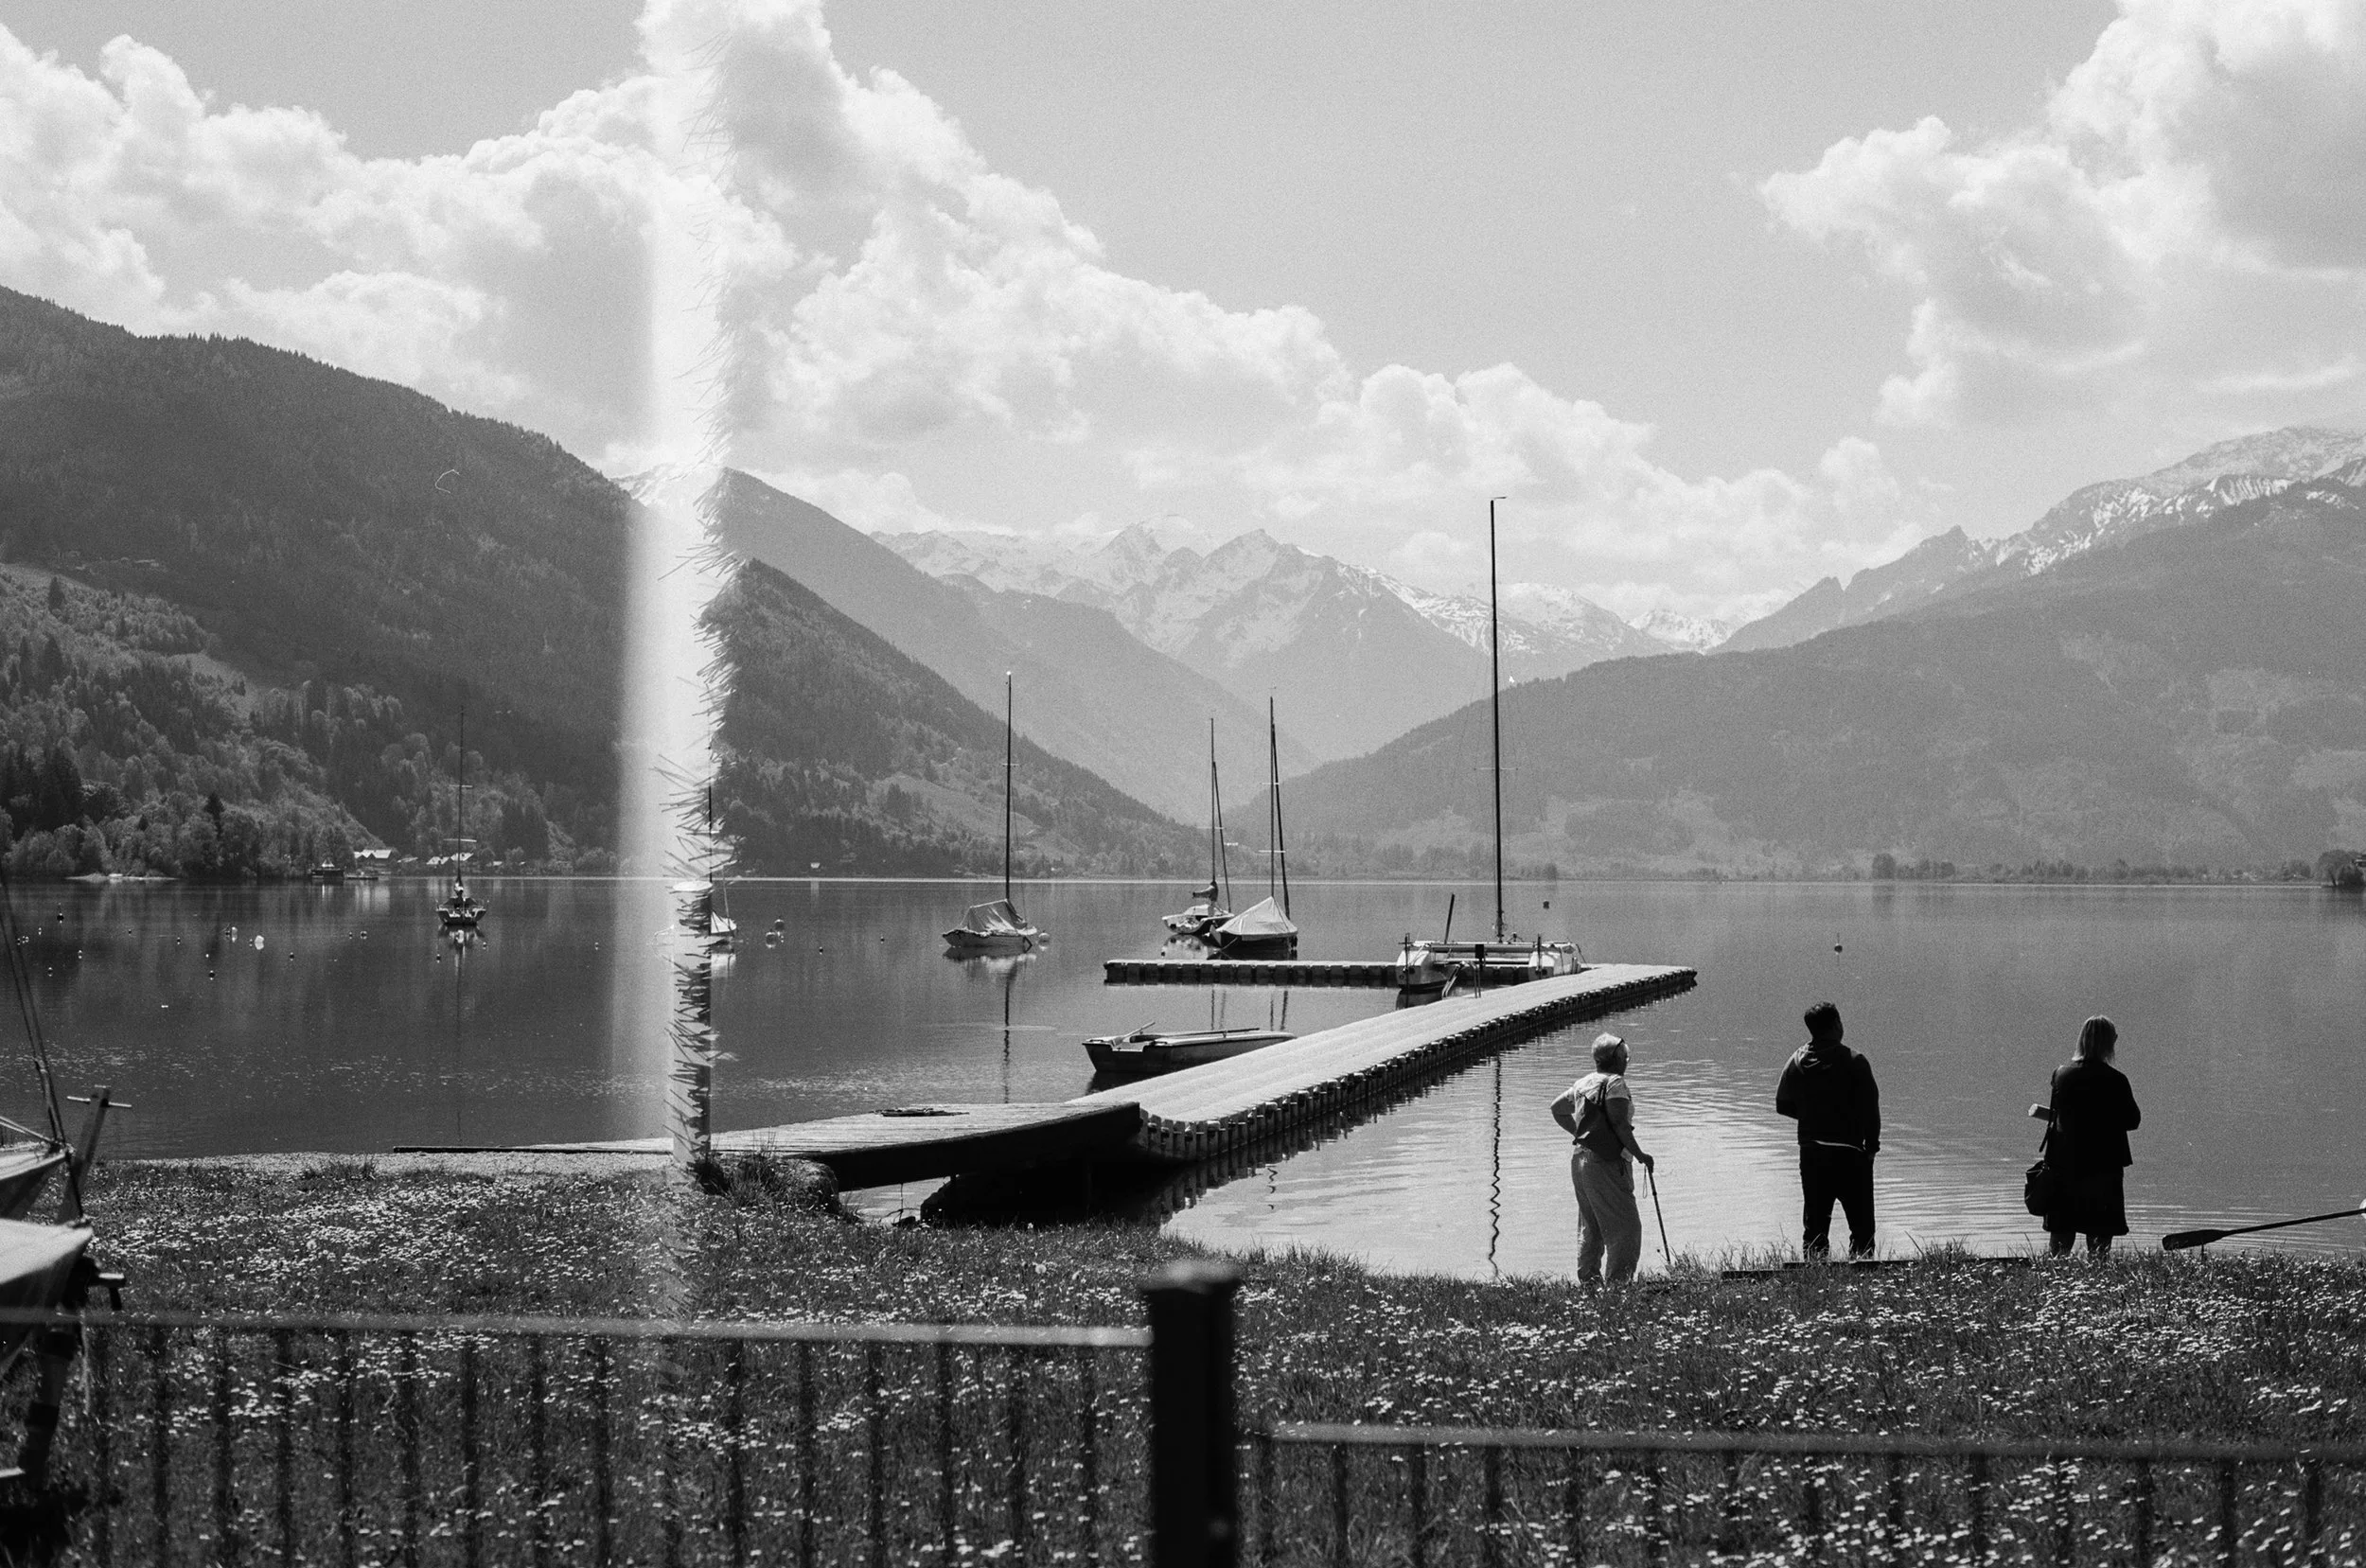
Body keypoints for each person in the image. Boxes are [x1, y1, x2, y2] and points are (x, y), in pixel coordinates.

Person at [1775, 1001, 1880, 1259]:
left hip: (1812, 1154)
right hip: (1851, 1154)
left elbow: (1782, 1104)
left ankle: (1815, 1272)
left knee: (1815, 1226)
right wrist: (1872, 1146)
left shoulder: (1796, 1061)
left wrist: (1813, 1118)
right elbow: (1870, 1109)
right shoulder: (1856, 1061)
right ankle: (1863, 1272)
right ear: (1836, 1025)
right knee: (1862, 1225)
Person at [1550, 1031, 1656, 1287]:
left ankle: (1590, 1284)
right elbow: (1619, 1123)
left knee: (1591, 1226)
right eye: (1626, 1056)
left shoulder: (1583, 1083)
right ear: (1618, 1059)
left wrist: (1580, 1135)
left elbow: (1556, 1109)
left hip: (1580, 1161)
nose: (1627, 1061)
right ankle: (1618, 1286)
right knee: (1626, 1228)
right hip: (1607, 1163)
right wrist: (1641, 1155)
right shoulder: (1615, 1083)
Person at [2041, 1015, 2141, 1255]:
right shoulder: (2116, 1080)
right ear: (2109, 1043)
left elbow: (2058, 1116)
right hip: (2103, 1165)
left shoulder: (2061, 1075)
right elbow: (2132, 1121)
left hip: (2064, 1163)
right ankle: (2097, 1274)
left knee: (2062, 1227)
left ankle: (2055, 1274)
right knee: (2100, 1229)